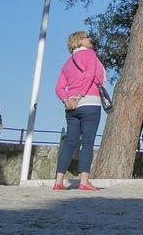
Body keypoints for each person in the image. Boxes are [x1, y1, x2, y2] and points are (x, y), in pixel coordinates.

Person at [53, 31, 106, 191]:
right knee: (88, 142)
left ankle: (59, 181)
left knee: (70, 142)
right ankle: (84, 181)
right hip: (89, 102)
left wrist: (67, 99)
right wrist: (80, 95)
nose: (90, 39)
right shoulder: (89, 54)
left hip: (71, 108)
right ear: (79, 41)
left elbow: (58, 87)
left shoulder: (67, 63)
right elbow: (90, 75)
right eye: (86, 37)